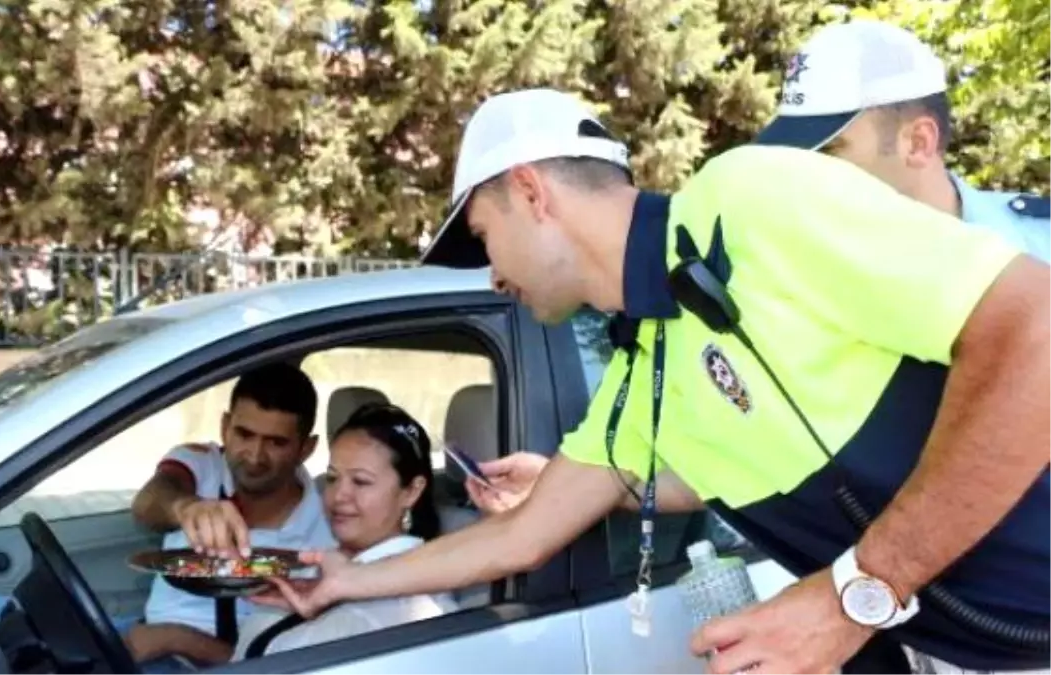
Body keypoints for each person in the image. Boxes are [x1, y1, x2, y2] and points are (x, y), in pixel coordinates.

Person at [249, 87, 1051, 675]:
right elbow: (519, 536)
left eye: (487, 237)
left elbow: (1036, 330)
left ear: (532, 192)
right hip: (982, 648)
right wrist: (350, 578)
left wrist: (854, 596)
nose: (493, 276)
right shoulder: (641, 375)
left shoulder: (748, 199)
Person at [755, 18, 1051, 257]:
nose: (802, 171)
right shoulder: (797, 274)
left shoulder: (1040, 245)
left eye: (830, 150)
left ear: (918, 143)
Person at [124, 362, 335, 672]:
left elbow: (285, 663)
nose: (254, 456)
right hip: (148, 643)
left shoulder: (326, 528)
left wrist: (175, 639)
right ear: (225, 427)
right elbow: (149, 502)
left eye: (276, 442)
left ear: (307, 448)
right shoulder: (202, 465)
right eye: (244, 434)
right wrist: (186, 508)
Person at [233, 402, 456, 659]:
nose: (339, 495)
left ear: (411, 491)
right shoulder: (319, 571)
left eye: (360, 481)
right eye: (331, 478)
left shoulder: (410, 608)